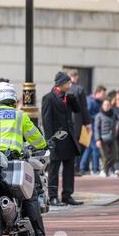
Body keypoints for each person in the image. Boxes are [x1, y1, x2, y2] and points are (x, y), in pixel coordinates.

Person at [0, 82, 52, 236]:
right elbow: (36, 138)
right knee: (29, 195)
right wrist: (43, 145)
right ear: (11, 97)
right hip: (12, 161)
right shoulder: (20, 116)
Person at [42, 72, 82, 206]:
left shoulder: (68, 97)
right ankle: (53, 197)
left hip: (69, 139)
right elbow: (47, 121)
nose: (70, 85)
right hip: (57, 139)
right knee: (54, 170)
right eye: (68, 83)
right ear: (61, 84)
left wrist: (74, 99)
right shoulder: (48, 98)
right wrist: (49, 140)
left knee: (69, 168)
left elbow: (77, 110)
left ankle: (67, 195)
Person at [67, 69, 92, 176]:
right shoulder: (79, 89)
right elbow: (84, 108)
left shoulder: (65, 89)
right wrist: (88, 123)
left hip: (66, 121)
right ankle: (75, 168)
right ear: (75, 77)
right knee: (77, 144)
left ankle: (67, 168)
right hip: (77, 121)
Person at [80, 85, 106, 175]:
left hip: (94, 128)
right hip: (91, 128)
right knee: (95, 148)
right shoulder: (90, 101)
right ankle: (95, 169)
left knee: (89, 148)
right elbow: (87, 114)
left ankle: (82, 167)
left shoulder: (99, 102)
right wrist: (98, 117)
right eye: (103, 94)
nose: (104, 96)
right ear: (97, 93)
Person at [95, 99, 117, 177]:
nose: (106, 106)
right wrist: (97, 139)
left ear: (110, 106)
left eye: (108, 105)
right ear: (102, 106)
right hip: (102, 139)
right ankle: (105, 171)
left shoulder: (113, 114)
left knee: (115, 156)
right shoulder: (99, 115)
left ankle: (106, 169)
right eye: (105, 105)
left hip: (112, 138)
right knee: (105, 157)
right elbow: (96, 128)